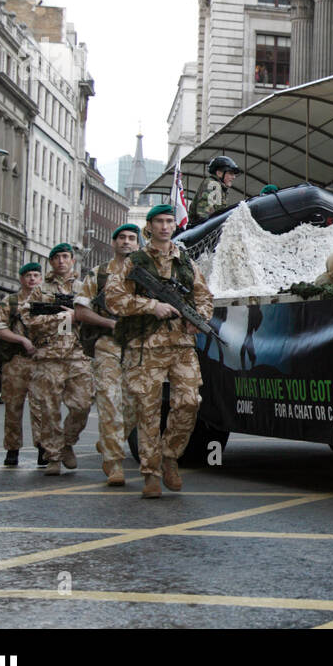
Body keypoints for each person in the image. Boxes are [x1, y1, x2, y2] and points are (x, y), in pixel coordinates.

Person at [105, 205, 214, 499]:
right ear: (149, 227)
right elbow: (114, 299)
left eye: (169, 221)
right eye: (159, 222)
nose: (165, 226)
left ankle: (170, 456)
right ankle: (151, 473)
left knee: (190, 402)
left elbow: (203, 297)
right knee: (148, 411)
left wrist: (198, 320)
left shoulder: (186, 262)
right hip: (146, 345)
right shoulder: (133, 262)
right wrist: (151, 306)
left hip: (181, 344)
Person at [74, 224, 141, 486]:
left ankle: (108, 441)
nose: (126, 242)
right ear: (114, 243)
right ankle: (114, 463)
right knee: (110, 402)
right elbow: (81, 312)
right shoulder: (98, 274)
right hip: (107, 346)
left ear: (138, 244)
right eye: (122, 238)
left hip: (137, 347)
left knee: (133, 404)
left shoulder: (144, 275)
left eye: (132, 239)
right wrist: (112, 324)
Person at [24, 243, 93, 476]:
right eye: (57, 258)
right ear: (51, 262)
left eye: (66, 257)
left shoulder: (85, 288)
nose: (61, 261)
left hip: (78, 354)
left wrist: (77, 315)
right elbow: (29, 320)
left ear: (73, 260)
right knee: (49, 409)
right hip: (49, 356)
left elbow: (98, 316)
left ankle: (67, 443)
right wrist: (57, 318)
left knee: (82, 405)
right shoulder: (39, 290)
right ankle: (53, 456)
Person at [0, 263, 43, 467]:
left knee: (41, 407)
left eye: (36, 275)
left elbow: (62, 327)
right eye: (28, 275)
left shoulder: (47, 300)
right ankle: (12, 449)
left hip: (40, 361)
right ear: (21, 279)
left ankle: (42, 449)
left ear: (40, 278)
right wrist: (21, 340)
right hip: (16, 361)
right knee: (13, 407)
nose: (31, 279)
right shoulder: (9, 302)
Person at [189, 155, 241, 225]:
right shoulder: (213, 184)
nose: (234, 177)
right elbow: (205, 215)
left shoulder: (219, 186)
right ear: (219, 173)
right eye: (230, 173)